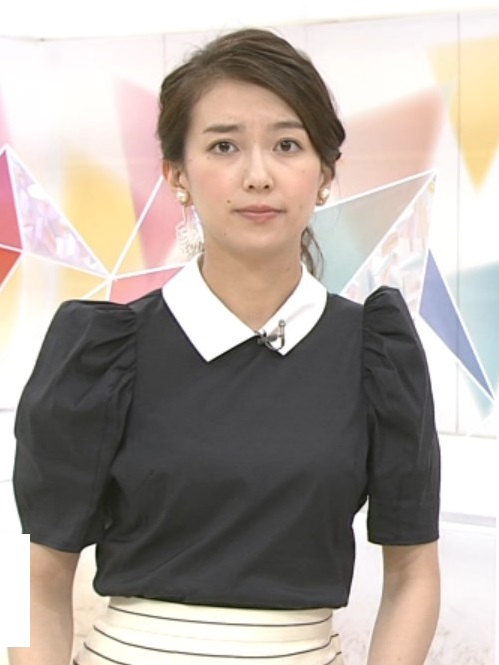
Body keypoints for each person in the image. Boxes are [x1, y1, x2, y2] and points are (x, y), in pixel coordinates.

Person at [9, 27, 440, 665]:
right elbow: (34, 577)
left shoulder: (376, 354)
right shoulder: (101, 353)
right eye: (224, 146)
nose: (258, 176)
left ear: (324, 173)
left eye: (287, 144)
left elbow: (413, 575)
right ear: (177, 174)